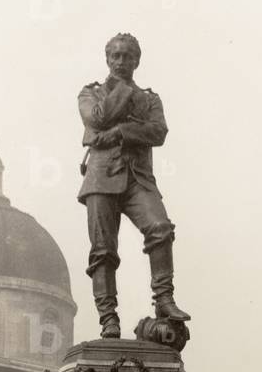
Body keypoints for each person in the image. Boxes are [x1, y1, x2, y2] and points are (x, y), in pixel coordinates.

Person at [77, 32, 190, 339]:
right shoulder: (90, 93)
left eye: (128, 56)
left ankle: (164, 300)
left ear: (137, 60)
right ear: (108, 59)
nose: (122, 61)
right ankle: (108, 318)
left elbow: (158, 132)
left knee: (161, 228)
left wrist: (119, 132)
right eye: (116, 56)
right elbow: (97, 118)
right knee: (103, 251)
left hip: (138, 177)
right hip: (102, 178)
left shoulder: (151, 99)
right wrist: (124, 93)